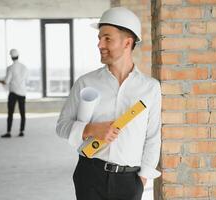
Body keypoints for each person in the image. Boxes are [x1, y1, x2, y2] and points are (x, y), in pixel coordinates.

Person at [56, 7, 161, 200]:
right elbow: (62, 126)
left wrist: (142, 180)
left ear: (127, 43)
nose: (99, 44)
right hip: (89, 175)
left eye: (107, 38)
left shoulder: (150, 88)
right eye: (99, 38)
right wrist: (90, 129)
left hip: (129, 182)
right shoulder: (85, 83)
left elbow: (153, 138)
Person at [0, 49, 29, 138]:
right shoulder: (24, 67)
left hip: (13, 93)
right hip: (22, 93)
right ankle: (22, 131)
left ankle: (8, 132)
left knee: (10, 113)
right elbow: (27, 80)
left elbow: (6, 81)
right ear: (18, 56)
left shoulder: (10, 68)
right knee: (22, 113)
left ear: (11, 57)